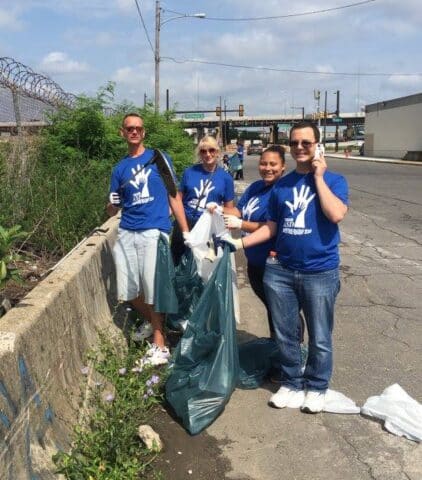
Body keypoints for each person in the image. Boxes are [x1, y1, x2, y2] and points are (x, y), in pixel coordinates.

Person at [225, 121, 349, 413]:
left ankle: (317, 386)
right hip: (280, 270)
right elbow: (271, 227)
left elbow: (335, 214)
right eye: (294, 143)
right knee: (285, 333)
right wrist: (239, 245)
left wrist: (318, 177)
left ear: (318, 145)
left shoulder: (334, 180)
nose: (299, 148)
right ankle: (292, 382)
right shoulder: (282, 185)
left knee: (320, 336)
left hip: (319, 271)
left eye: (306, 143)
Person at [107, 113, 189, 365]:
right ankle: (158, 324)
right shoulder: (119, 168)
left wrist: (186, 232)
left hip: (154, 230)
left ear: (144, 133)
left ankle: (160, 344)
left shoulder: (158, 158)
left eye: (138, 128)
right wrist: (111, 205)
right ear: (122, 132)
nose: (134, 132)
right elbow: (112, 208)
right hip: (127, 231)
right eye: (130, 128)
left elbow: (174, 196)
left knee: (153, 290)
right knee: (129, 290)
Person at [222, 145, 286, 337]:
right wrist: (216, 209)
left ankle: (292, 354)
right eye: (263, 163)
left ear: (283, 167)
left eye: (273, 164)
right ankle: (276, 349)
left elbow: (272, 228)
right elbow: (238, 212)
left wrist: (240, 224)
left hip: (273, 264)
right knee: (272, 308)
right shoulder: (256, 187)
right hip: (255, 262)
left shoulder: (282, 191)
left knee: (282, 313)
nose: (268, 168)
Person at [171, 135, 235, 264]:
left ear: (217, 152)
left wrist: (219, 211)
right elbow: (178, 200)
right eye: (203, 151)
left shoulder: (225, 178)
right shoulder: (189, 172)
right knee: (178, 262)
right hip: (186, 223)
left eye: (211, 150)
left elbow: (230, 209)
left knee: (203, 264)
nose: (208, 154)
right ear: (199, 153)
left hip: (208, 227)